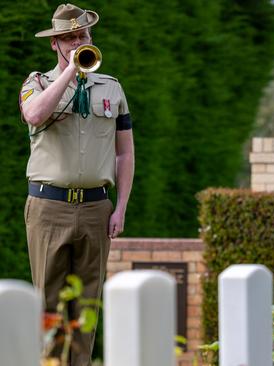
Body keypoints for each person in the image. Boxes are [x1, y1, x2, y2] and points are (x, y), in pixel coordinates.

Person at [19, 4, 134, 365]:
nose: (77, 42)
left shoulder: (112, 88)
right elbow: (34, 114)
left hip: (96, 209)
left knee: (86, 310)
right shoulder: (36, 83)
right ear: (55, 43)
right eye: (68, 38)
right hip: (48, 209)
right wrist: (71, 71)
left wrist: (120, 208)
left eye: (82, 36)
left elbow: (125, 154)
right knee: (48, 307)